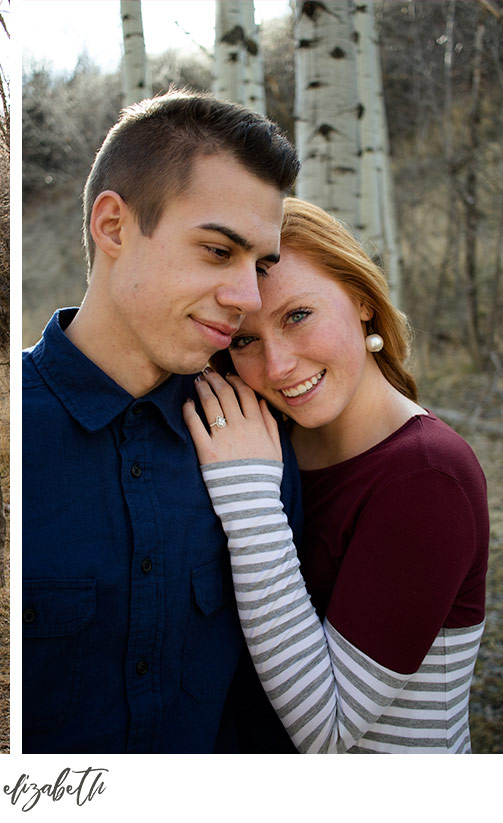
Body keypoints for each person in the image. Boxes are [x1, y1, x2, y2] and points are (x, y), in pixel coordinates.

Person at [22, 90, 302, 753]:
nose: (248, 298)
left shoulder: (257, 441)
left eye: (259, 266)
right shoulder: (5, 438)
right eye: (216, 251)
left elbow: (272, 721)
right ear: (114, 226)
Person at [184, 197, 489, 753]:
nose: (277, 366)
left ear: (363, 299)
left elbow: (328, 731)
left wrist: (249, 499)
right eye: (246, 340)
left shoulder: (427, 475)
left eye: (297, 315)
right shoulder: (267, 443)